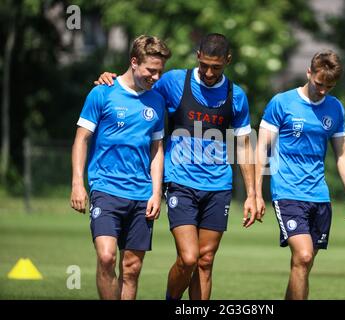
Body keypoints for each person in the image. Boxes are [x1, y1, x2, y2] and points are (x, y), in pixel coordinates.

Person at [96, 33, 257, 300]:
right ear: (197, 56)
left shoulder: (236, 95)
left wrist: (252, 194)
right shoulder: (173, 82)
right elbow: (137, 90)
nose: (208, 72)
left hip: (218, 186)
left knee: (205, 261)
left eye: (216, 67)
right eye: (204, 64)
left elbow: (244, 145)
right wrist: (111, 80)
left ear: (227, 61)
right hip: (180, 182)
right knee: (189, 257)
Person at [70, 35, 171, 300]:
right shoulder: (103, 92)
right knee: (106, 257)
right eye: (151, 70)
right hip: (105, 188)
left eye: (160, 71)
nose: (156, 77)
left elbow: (157, 149)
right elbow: (81, 138)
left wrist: (156, 192)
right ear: (134, 62)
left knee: (131, 268)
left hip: (141, 195)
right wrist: (78, 183)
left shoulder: (157, 101)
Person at [255, 50, 345, 300]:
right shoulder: (282, 103)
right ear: (309, 73)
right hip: (287, 192)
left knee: (303, 265)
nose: (323, 90)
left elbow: (343, 154)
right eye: (319, 83)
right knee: (303, 256)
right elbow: (261, 149)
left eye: (330, 86)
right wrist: (256, 192)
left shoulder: (336, 108)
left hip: (319, 195)